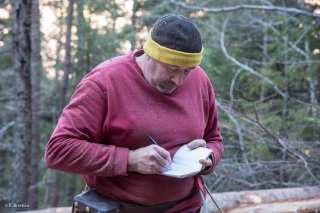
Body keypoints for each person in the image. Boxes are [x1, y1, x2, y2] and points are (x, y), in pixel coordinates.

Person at [45, 14, 223, 213]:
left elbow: (214, 139)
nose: (178, 81)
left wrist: (208, 157)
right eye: (172, 69)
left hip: (189, 207)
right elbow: (58, 150)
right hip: (119, 208)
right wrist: (131, 160)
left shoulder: (200, 80)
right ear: (150, 54)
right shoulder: (104, 82)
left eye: (186, 71)